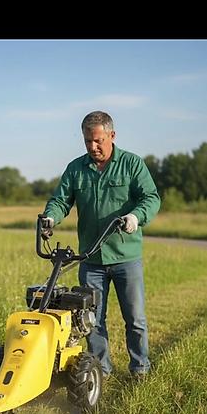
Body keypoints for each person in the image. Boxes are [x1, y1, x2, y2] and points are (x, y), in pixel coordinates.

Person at [40, 111, 161, 379]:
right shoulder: (76, 168)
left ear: (112, 136)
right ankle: (101, 370)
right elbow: (61, 200)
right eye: (87, 142)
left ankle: (139, 369)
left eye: (98, 141)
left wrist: (135, 216)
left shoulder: (132, 164)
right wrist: (51, 217)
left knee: (136, 320)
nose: (93, 147)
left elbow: (151, 198)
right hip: (91, 259)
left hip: (125, 257)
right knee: (91, 322)